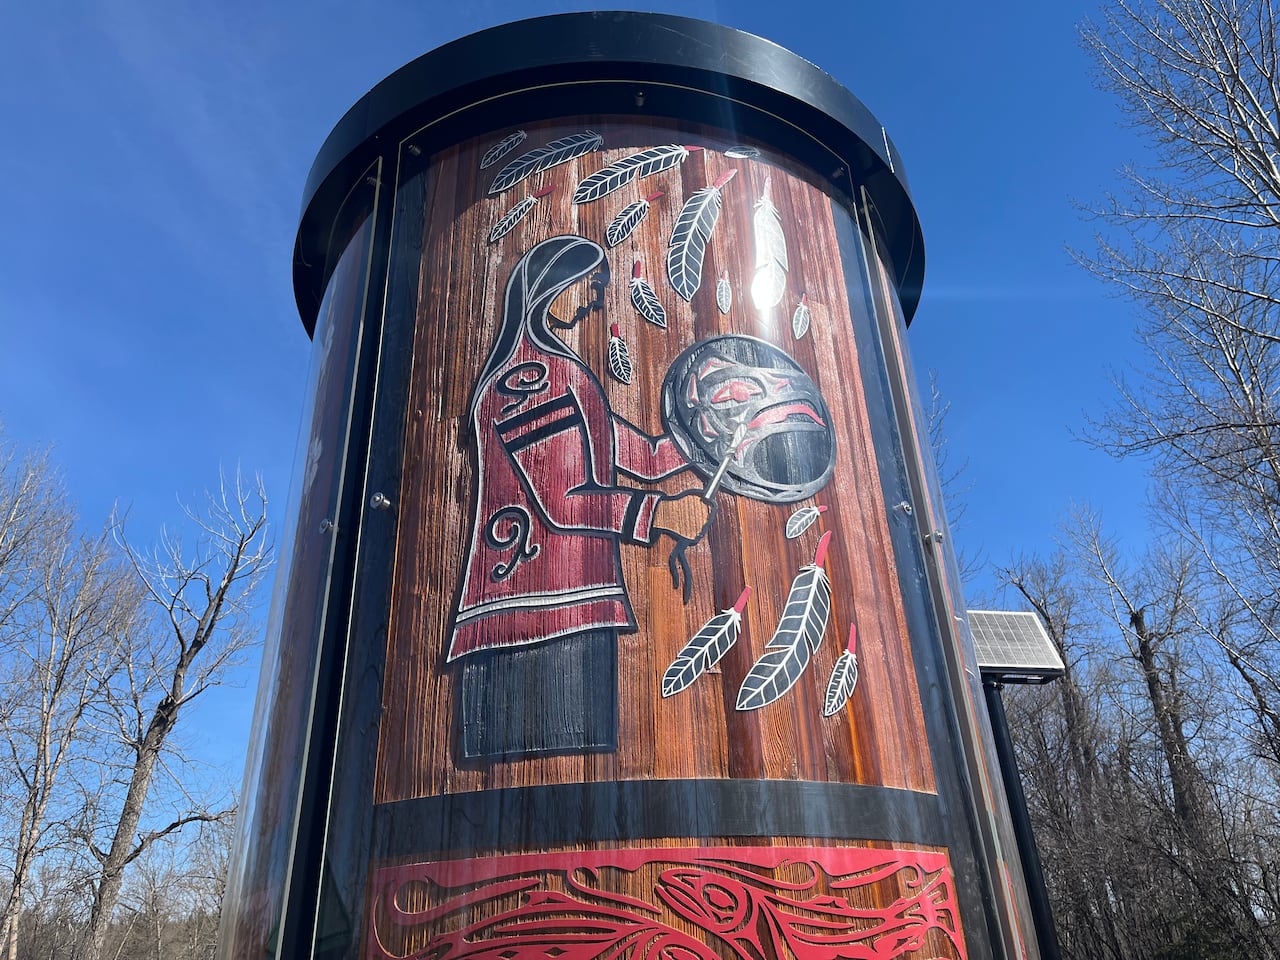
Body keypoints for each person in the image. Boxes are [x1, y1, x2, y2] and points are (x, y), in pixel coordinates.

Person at [449, 235, 711, 761]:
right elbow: (563, 499)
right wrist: (660, 513)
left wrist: (711, 434)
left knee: (579, 759)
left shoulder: (562, 369)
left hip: (572, 606)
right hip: (535, 614)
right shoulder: (527, 379)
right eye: (589, 285)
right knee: (533, 777)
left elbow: (642, 456)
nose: (595, 299)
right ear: (553, 285)